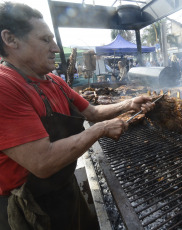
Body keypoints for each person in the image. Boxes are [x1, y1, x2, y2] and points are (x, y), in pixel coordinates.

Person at [0, 3, 155, 230]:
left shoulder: (54, 81)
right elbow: (41, 162)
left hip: (65, 186)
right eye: (45, 40)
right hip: (29, 207)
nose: (55, 48)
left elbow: (92, 112)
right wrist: (99, 130)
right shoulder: (6, 86)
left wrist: (129, 103)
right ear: (10, 40)